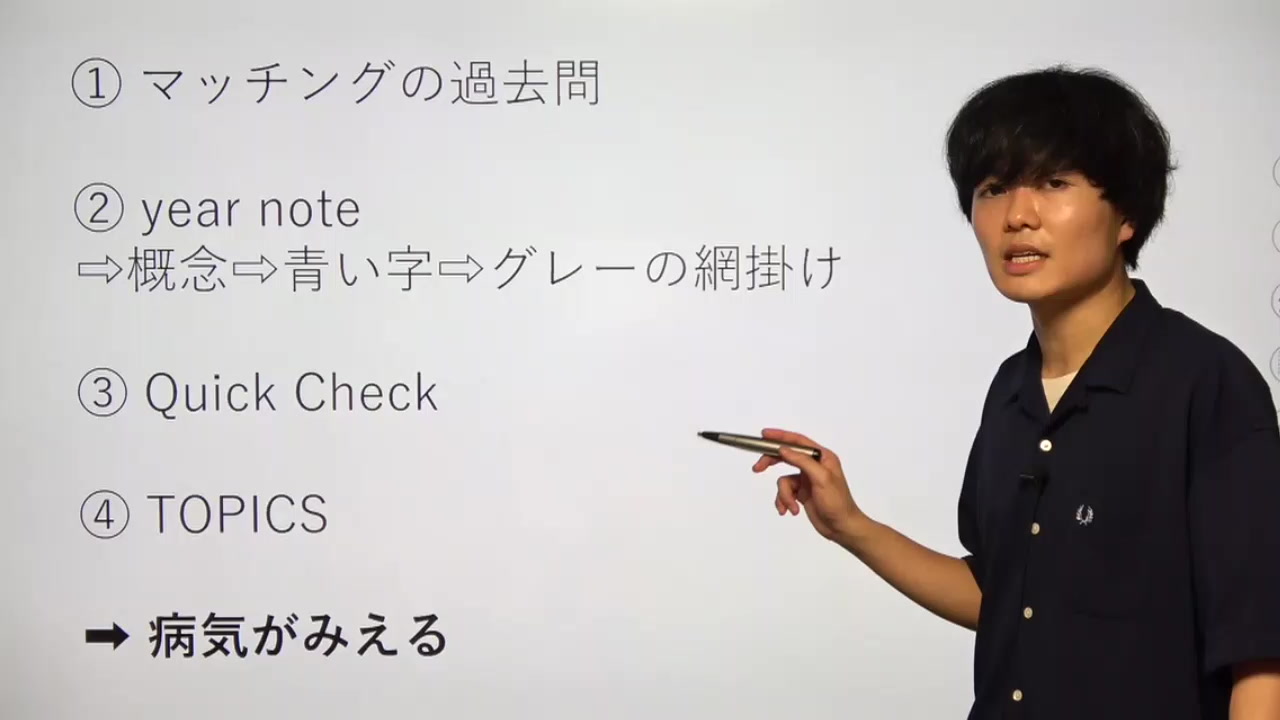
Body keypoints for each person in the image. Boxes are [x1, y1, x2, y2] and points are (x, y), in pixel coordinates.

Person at [757, 65, 1280, 719]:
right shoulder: (1011, 390)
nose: (1017, 216)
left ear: (1127, 214)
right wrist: (851, 526)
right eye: (993, 188)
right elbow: (1004, 597)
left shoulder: (1205, 383)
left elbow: (1259, 652)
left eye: (1054, 183)